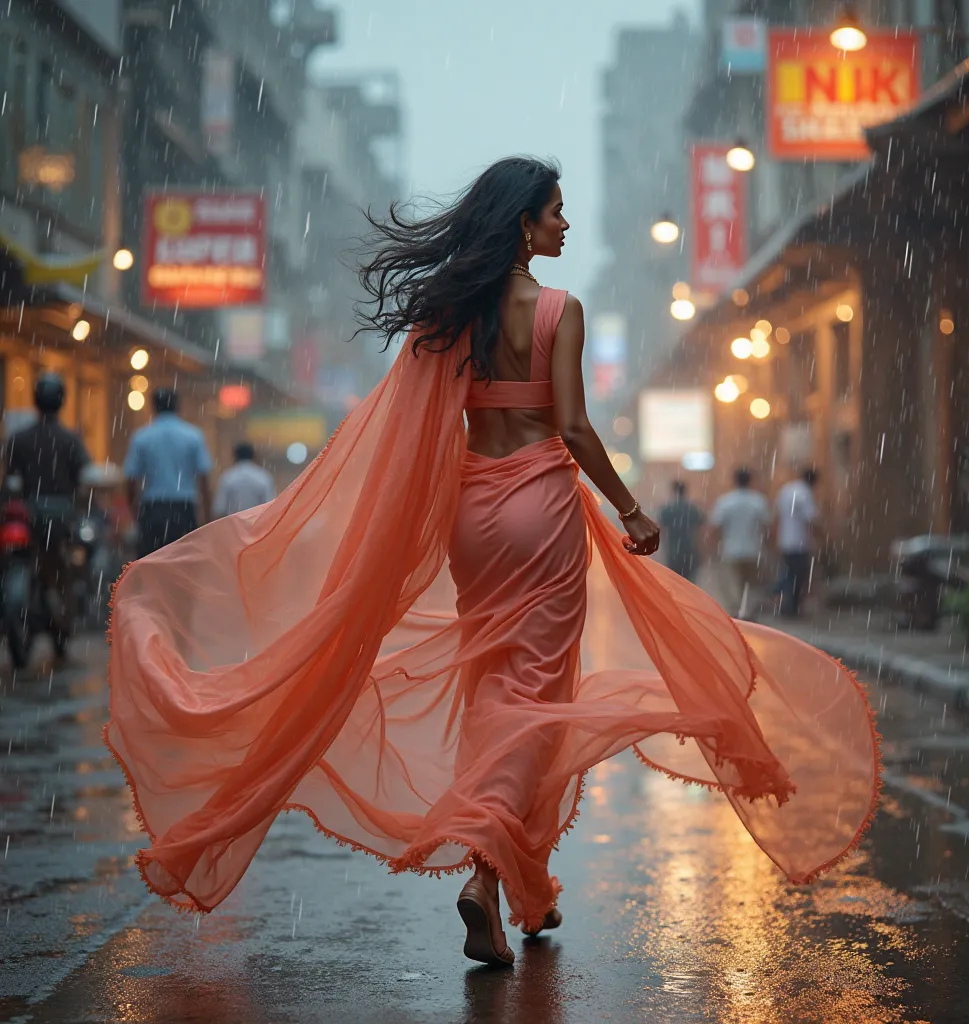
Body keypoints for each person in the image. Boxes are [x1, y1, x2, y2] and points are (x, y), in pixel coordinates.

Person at [104, 158, 879, 968]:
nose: (565, 225)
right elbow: (574, 427)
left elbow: (423, 431)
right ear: (522, 225)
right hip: (542, 508)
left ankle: (525, 889)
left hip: (473, 516)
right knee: (539, 692)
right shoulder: (557, 310)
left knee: (496, 688)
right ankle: (484, 866)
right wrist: (630, 507)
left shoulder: (451, 318)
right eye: (555, 212)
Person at [2, 373, 91, 654]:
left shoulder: (19, 438)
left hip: (23, 516)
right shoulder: (70, 440)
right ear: (62, 401)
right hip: (59, 518)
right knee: (67, 568)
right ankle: (67, 611)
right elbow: (85, 477)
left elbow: (9, 476)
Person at [123, 388, 212, 558]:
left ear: (153, 407)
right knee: (183, 563)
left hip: (153, 509)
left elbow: (131, 479)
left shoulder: (141, 437)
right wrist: (207, 516)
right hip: (184, 508)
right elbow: (204, 478)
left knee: (151, 562)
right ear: (178, 406)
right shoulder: (193, 436)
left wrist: (135, 511)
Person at [708, 468, 771, 619]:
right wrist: (768, 547)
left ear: (734, 480)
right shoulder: (758, 501)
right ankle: (748, 614)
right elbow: (767, 527)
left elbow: (716, 528)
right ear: (750, 480)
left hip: (731, 551)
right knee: (751, 586)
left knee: (734, 586)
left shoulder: (725, 501)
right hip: (753, 551)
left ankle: (737, 616)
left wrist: (712, 549)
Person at [776, 467, 821, 617]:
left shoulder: (787, 489)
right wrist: (817, 539)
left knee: (788, 574)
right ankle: (792, 608)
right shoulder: (805, 493)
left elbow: (777, 513)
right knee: (798, 577)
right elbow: (810, 519)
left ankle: (784, 604)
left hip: (785, 540)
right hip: (799, 542)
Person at [213, 442, 276, 518]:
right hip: (257, 525)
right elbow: (270, 508)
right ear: (253, 456)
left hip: (234, 525)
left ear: (235, 456)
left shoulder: (228, 477)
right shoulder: (263, 477)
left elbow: (220, 508)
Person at [658, 480, 703, 581]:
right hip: (690, 550)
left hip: (673, 551)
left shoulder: (667, 509)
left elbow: (662, 531)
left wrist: (664, 549)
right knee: (690, 583)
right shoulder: (693, 509)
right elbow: (699, 532)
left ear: (673, 490)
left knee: (675, 582)